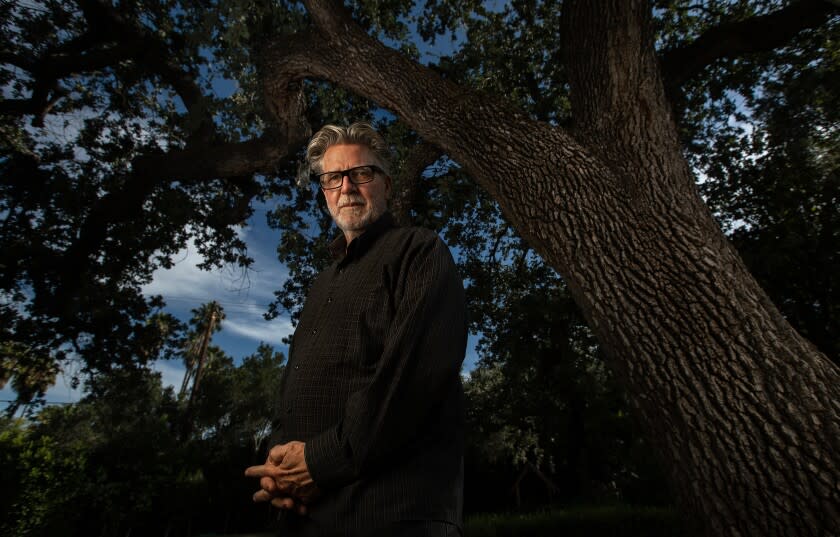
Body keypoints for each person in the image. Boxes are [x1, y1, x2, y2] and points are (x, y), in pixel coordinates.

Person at [245, 122, 467, 536]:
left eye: (360, 173)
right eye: (333, 178)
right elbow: (292, 387)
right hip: (303, 516)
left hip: (390, 513)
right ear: (325, 190)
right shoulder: (322, 283)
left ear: (384, 183)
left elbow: (410, 381)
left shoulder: (420, 251)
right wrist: (279, 468)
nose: (346, 187)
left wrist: (321, 462)